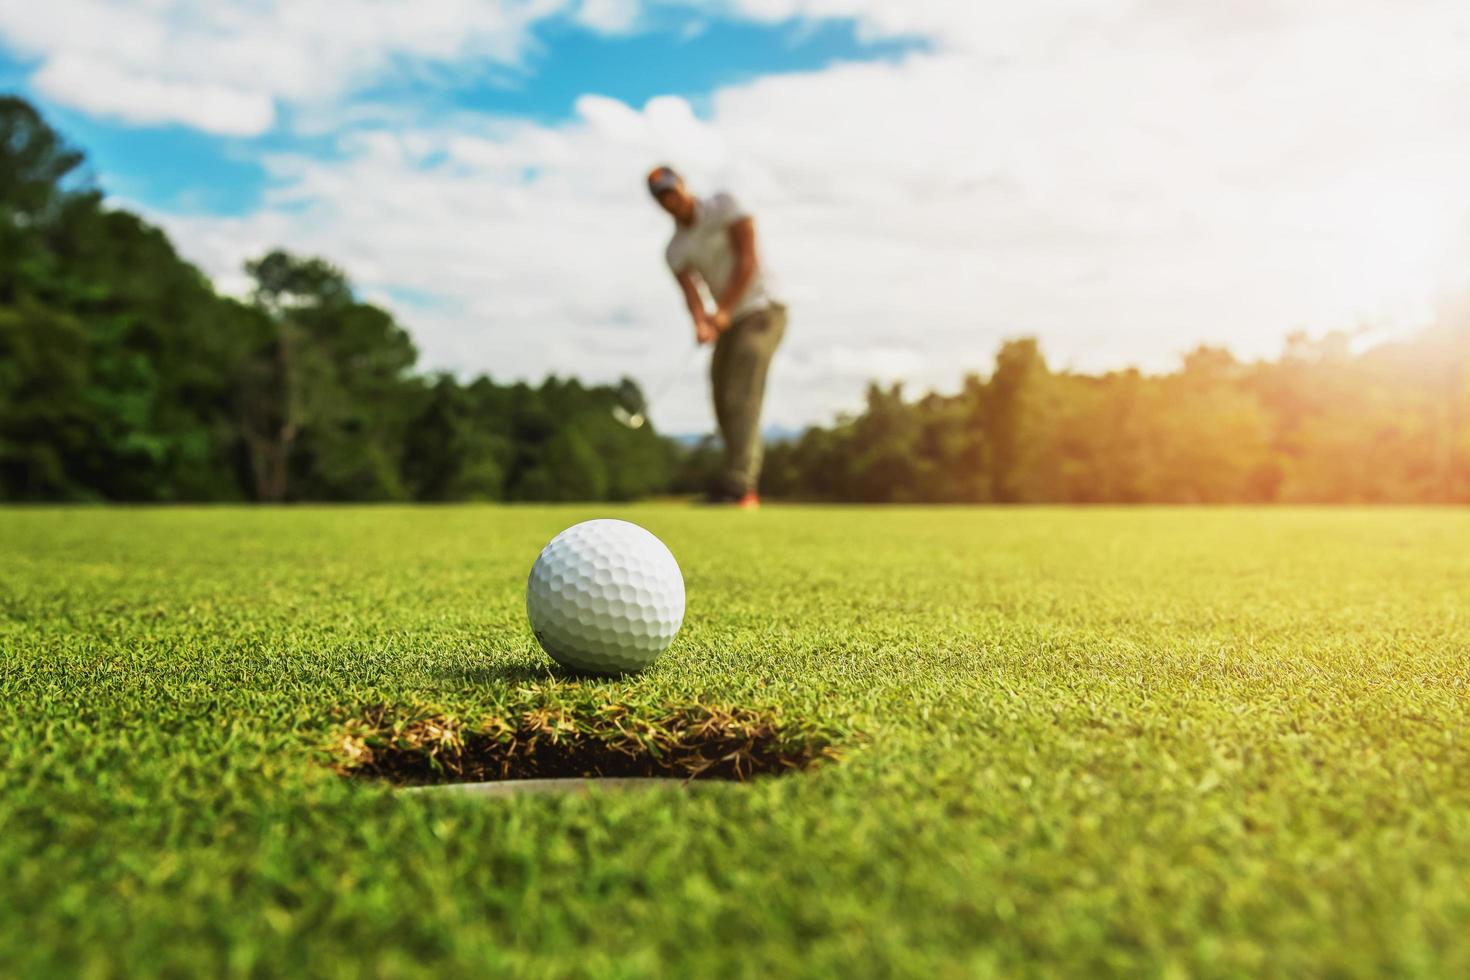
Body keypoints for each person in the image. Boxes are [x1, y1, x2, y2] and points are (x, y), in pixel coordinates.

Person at [647, 165, 787, 509]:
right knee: (721, 397)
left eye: (672, 189)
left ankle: (740, 488)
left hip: (762, 310)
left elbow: (747, 259)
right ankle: (731, 482)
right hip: (729, 321)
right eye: (662, 196)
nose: (670, 199)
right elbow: (692, 294)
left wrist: (721, 310)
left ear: (683, 184)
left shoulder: (726, 205)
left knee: (741, 393)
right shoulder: (675, 249)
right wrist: (700, 321)